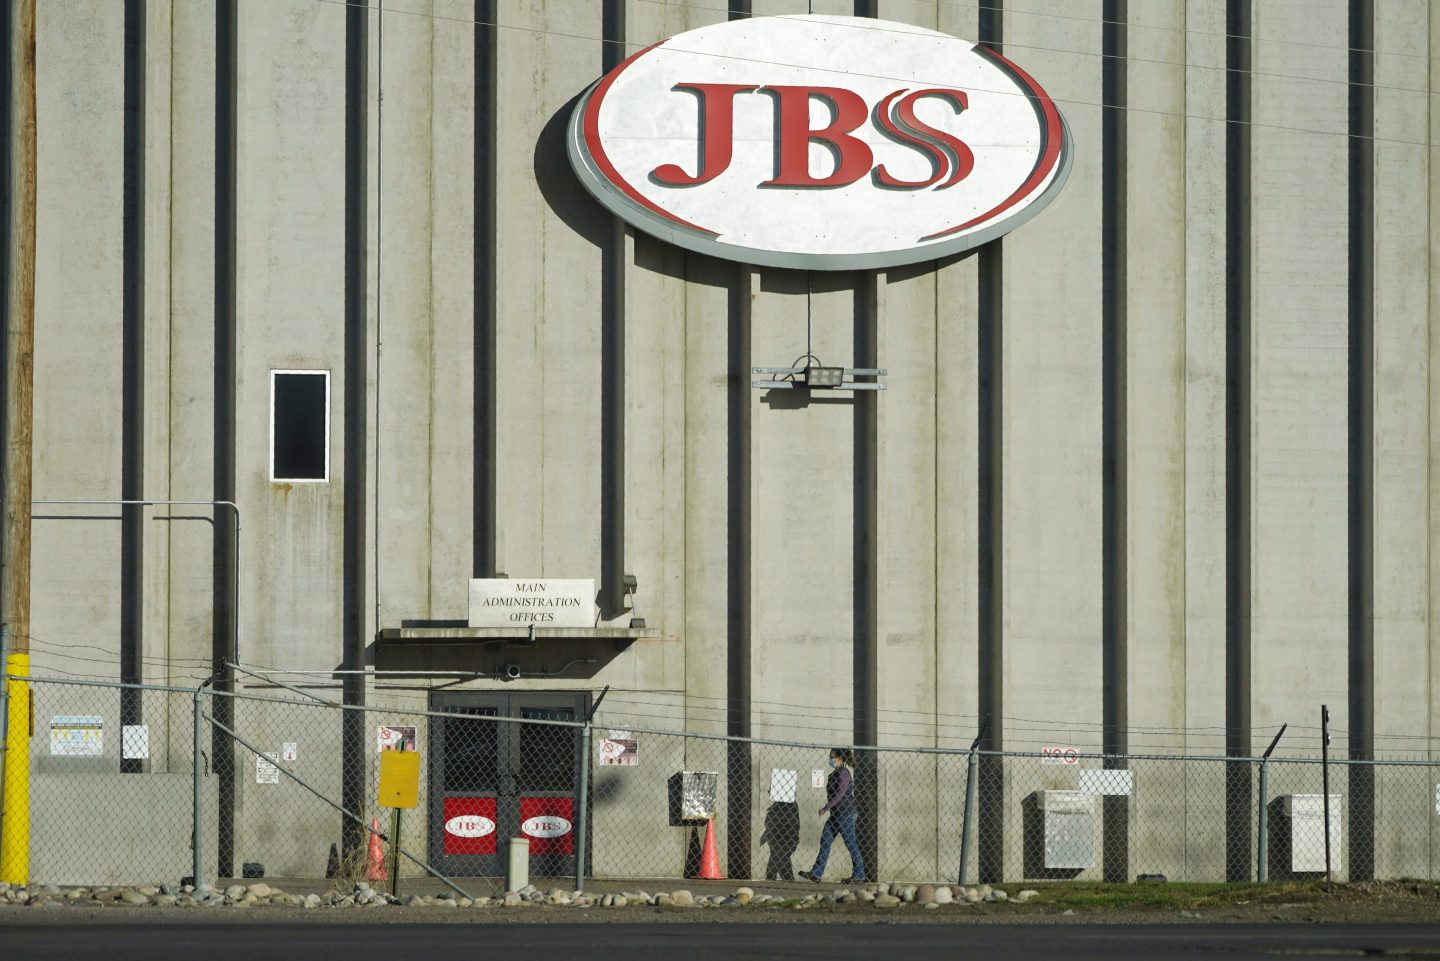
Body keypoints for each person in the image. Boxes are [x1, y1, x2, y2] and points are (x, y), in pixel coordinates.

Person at [798, 747, 866, 884]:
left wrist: (826, 807)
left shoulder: (844, 773)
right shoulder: (835, 773)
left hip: (846, 814)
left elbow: (840, 794)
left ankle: (859, 875)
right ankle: (816, 874)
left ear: (839, 759)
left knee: (851, 844)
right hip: (836, 815)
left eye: (832, 757)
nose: (829, 759)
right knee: (825, 841)